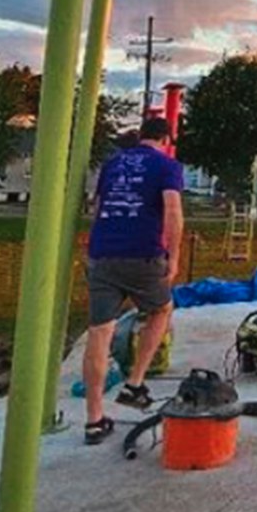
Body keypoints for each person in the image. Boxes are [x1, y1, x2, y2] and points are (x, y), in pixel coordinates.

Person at [81, 115, 185, 444]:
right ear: (166, 140)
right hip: (142, 254)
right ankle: (135, 382)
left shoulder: (113, 163)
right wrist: (174, 256)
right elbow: (172, 211)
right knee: (161, 309)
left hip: (102, 254)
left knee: (99, 333)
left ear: (140, 136)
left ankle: (94, 420)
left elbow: (98, 208)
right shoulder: (167, 165)